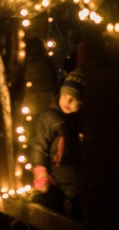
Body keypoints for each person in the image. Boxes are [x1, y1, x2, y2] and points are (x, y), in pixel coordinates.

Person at [30, 68, 85, 221]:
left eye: (74, 99)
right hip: (58, 167)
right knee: (74, 190)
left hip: (75, 166)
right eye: (66, 95)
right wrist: (41, 172)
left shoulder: (79, 121)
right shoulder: (49, 118)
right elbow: (39, 146)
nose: (68, 102)